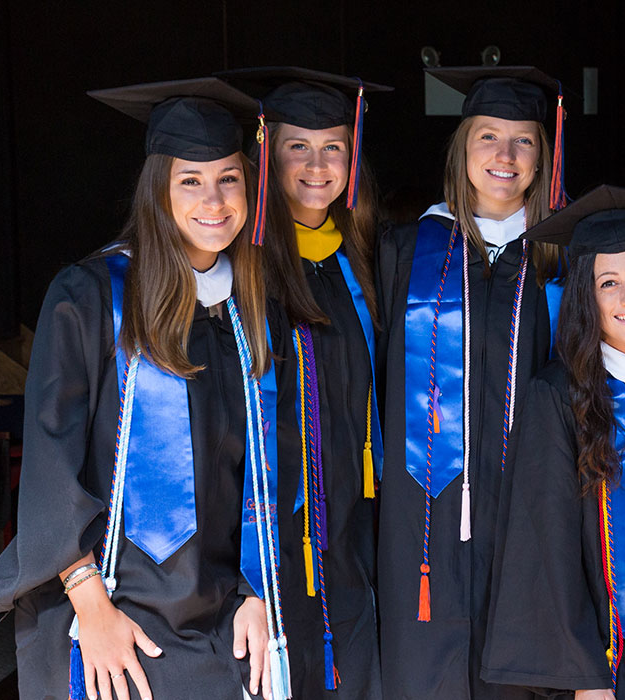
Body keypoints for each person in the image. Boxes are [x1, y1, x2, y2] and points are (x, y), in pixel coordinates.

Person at [0, 78, 295, 700]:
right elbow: (49, 463)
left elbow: (263, 468)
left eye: (229, 177)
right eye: (190, 181)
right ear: (157, 189)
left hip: (219, 615)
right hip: (107, 608)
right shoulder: (90, 297)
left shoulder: (251, 311)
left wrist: (258, 592)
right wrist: (90, 608)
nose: (214, 200)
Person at [375, 66, 567, 699]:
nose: (505, 156)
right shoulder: (403, 251)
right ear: (462, 148)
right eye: (488, 136)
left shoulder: (562, 262)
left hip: (528, 516)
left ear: (544, 157)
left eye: (524, 141)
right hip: (420, 521)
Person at [218, 66, 393, 700]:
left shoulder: (361, 261)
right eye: (298, 146)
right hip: (268, 539)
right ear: (265, 153)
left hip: (350, 535)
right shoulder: (235, 269)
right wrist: (243, 580)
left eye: (334, 148)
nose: (318, 165)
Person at [482, 186, 625, 700]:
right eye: (609, 283)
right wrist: (584, 675)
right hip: (607, 659)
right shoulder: (556, 396)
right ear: (585, 294)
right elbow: (546, 545)